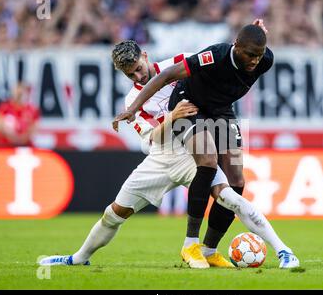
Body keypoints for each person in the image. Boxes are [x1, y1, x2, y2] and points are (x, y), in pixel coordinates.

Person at [39, 40, 299, 269]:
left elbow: (214, 73)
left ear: (145, 55)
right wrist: (172, 116)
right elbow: (151, 138)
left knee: (231, 195)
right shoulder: (133, 101)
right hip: (161, 158)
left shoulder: (178, 63)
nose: (138, 77)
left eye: (139, 68)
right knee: (114, 214)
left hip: (190, 154)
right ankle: (79, 257)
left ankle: (282, 250)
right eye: (131, 75)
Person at [113, 20, 298, 266]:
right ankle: (191, 242)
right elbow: (167, 76)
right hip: (188, 104)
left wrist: (254, 36)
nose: (255, 60)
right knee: (208, 159)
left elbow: (253, 47)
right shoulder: (215, 55)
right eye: (250, 54)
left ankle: (209, 249)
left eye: (259, 54)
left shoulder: (265, 60)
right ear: (236, 47)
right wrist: (134, 109)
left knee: (237, 181)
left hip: (221, 111)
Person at [0, 82, 40, 147]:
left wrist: (22, 139)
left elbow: (34, 128)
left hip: (27, 146)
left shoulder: (32, 110)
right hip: (7, 146)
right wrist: (13, 138)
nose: (19, 96)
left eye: (21, 93)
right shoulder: (4, 108)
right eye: (17, 93)